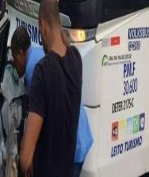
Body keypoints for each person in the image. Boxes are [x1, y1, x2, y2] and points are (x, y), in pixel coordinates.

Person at [12, 25, 93, 176]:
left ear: (21, 53)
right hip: (78, 134)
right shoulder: (37, 52)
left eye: (14, 57)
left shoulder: (35, 70)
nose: (14, 64)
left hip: (72, 143)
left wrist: (26, 156)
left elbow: (35, 122)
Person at [19, 0, 82, 177]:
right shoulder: (76, 60)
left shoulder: (42, 71)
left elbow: (25, 159)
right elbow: (67, 44)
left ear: (43, 26)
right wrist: (54, 13)